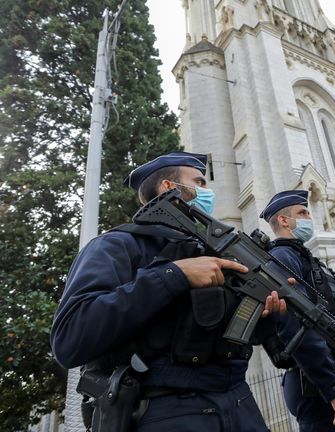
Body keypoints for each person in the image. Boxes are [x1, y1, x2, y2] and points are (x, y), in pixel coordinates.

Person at [51, 152, 288, 431]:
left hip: (239, 403)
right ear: (169, 188)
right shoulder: (117, 246)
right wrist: (175, 275)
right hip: (165, 410)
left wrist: (265, 312)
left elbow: (225, 334)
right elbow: (70, 338)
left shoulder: (213, 254)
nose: (207, 192)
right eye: (199, 183)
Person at [260, 190, 335, 432]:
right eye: (302, 213)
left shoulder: (303, 257)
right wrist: (332, 386)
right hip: (314, 382)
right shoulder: (282, 257)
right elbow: (295, 327)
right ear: (284, 220)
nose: (310, 217)